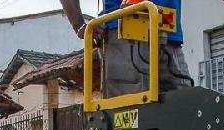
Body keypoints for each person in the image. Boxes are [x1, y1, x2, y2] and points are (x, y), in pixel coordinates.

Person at [59, 0, 192, 98]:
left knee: (185, 106)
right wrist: (79, 25)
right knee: (132, 112)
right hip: (125, 31)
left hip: (168, 32)